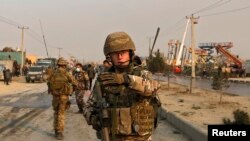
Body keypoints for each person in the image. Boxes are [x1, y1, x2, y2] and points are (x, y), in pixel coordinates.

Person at [83, 32, 161, 141]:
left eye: (123, 52)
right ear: (110, 56)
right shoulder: (104, 79)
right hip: (112, 137)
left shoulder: (142, 73)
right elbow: (88, 107)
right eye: (115, 53)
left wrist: (126, 79)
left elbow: (152, 88)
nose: (120, 56)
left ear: (130, 53)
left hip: (139, 137)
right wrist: (94, 119)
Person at [47, 57, 78, 140]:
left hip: (55, 96)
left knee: (56, 113)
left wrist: (52, 91)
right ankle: (60, 132)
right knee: (61, 113)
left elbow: (49, 83)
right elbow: (75, 83)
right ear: (64, 65)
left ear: (58, 65)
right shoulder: (67, 73)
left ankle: (56, 130)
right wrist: (71, 91)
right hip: (64, 96)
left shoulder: (53, 73)